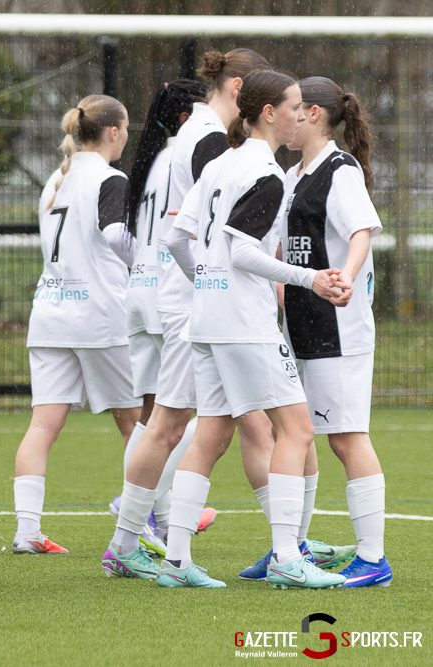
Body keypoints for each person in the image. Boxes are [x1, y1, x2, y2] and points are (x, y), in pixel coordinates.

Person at [160, 69, 348, 589]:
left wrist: (208, 283)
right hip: (244, 323)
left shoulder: (220, 163)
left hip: (207, 320)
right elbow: (243, 252)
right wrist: (310, 278)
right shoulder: (266, 172)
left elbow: (176, 239)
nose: (300, 115)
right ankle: (287, 556)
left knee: (210, 436)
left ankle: (176, 562)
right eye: (294, 106)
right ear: (269, 113)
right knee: (297, 430)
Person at [11, 94, 141, 555]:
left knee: (42, 426)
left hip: (50, 313)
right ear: (112, 132)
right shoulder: (111, 178)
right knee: (138, 424)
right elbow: (115, 236)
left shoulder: (56, 179)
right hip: (100, 316)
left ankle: (26, 531)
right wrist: (146, 263)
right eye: (126, 129)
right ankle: (153, 520)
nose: (126, 136)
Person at [281, 76, 390, 587]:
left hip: (337, 329)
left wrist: (345, 275)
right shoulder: (293, 173)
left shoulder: (339, 168)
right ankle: (294, 548)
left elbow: (361, 230)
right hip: (300, 326)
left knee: (346, 439)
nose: (285, 117)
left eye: (293, 108)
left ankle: (373, 558)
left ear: (315, 114)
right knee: (297, 436)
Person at [103, 79, 207, 563]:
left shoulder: (152, 159)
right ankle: (139, 507)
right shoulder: (186, 156)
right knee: (184, 417)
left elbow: (121, 236)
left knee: (151, 417)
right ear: (188, 116)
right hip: (171, 292)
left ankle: (146, 515)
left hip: (140, 290)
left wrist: (142, 263)